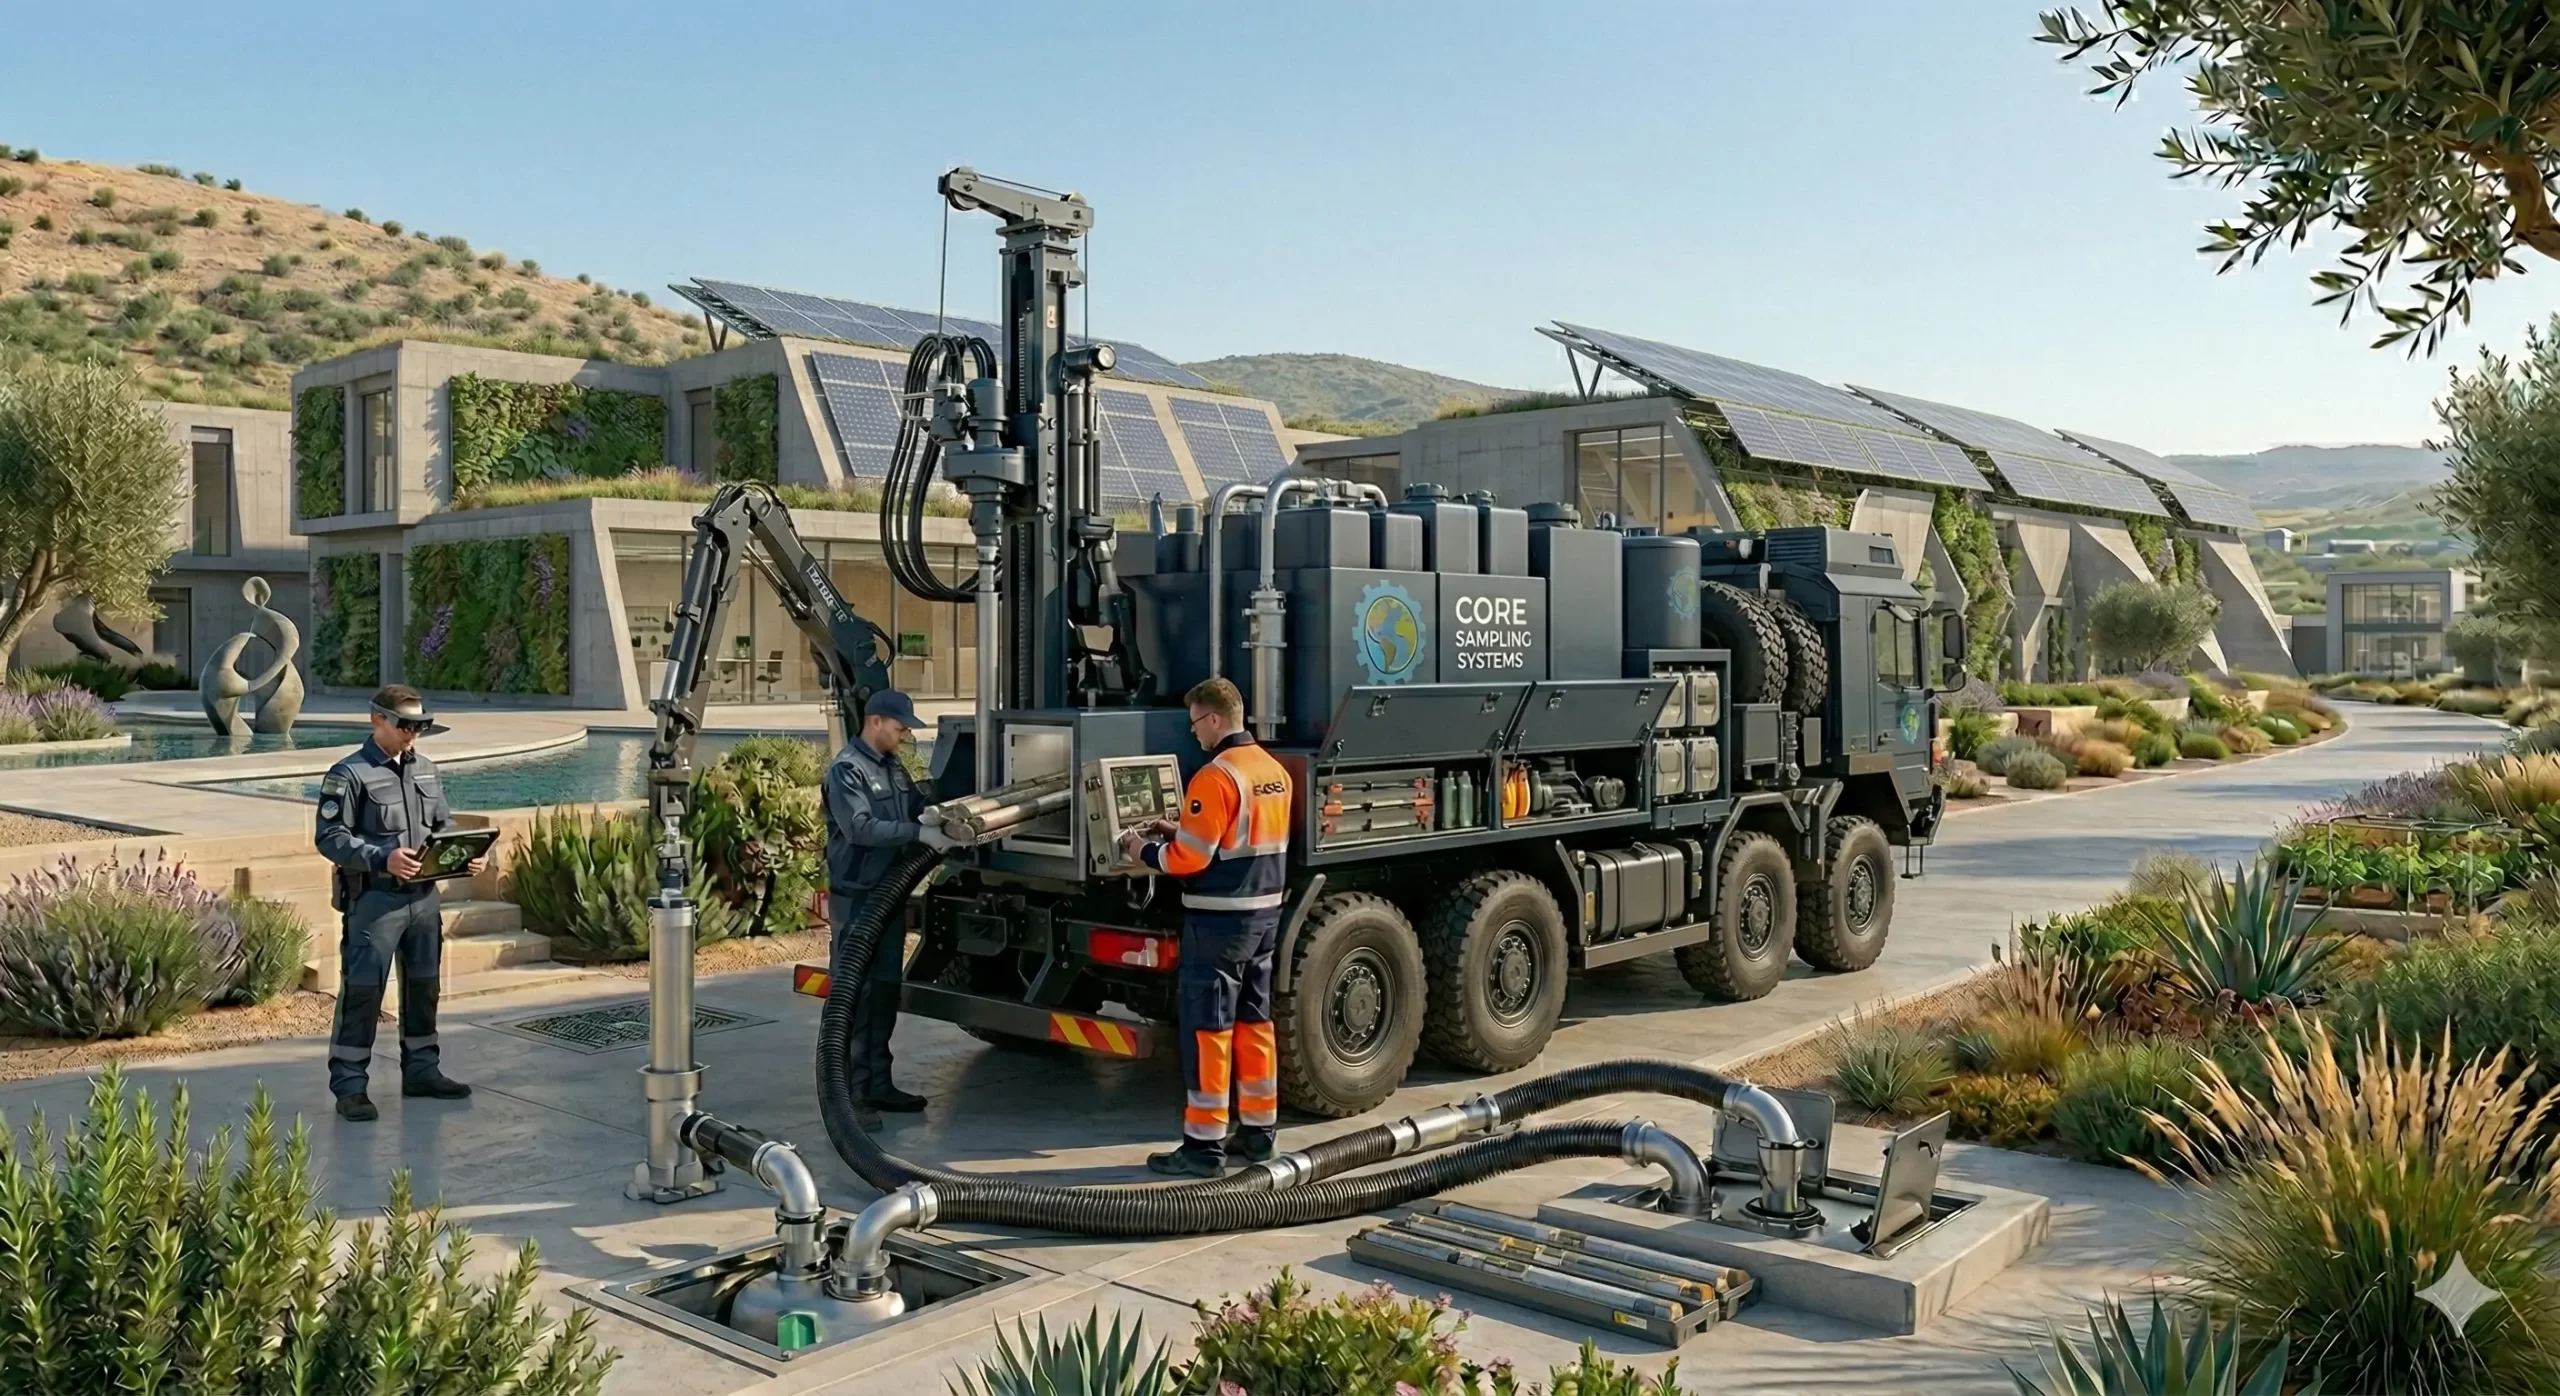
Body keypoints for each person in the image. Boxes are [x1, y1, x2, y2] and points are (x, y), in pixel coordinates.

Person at [1119, 676, 1293, 1178]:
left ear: (1215, 719)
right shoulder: (1272, 771)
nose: (1193, 733)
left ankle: (1203, 1147)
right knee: (1255, 1024)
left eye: (1195, 722)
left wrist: (1141, 850)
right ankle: (1259, 1135)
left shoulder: (1215, 777)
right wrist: (1184, 827)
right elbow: (1238, 837)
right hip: (1264, 916)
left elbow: (1189, 859)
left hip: (1219, 922)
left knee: (1208, 1031)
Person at [315, 684, 487, 1123]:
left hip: (425, 900)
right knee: (364, 992)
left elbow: (444, 825)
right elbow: (331, 838)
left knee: (424, 986)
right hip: (375, 902)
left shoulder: (426, 770)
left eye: (421, 725)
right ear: (378, 720)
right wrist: (382, 858)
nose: (414, 733)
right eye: (406, 724)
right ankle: (351, 1086)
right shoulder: (348, 775)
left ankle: (422, 1071)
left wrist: (463, 857)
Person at [826, 688, 942, 1131]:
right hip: (857, 898)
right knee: (857, 995)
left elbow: (915, 804)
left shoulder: (891, 766)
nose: (904, 735)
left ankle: (879, 1084)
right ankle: (851, 1096)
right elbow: (859, 828)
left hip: (888, 895)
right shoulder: (846, 771)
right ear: (876, 722)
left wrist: (938, 812)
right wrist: (917, 833)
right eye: (900, 727)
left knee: (886, 991)